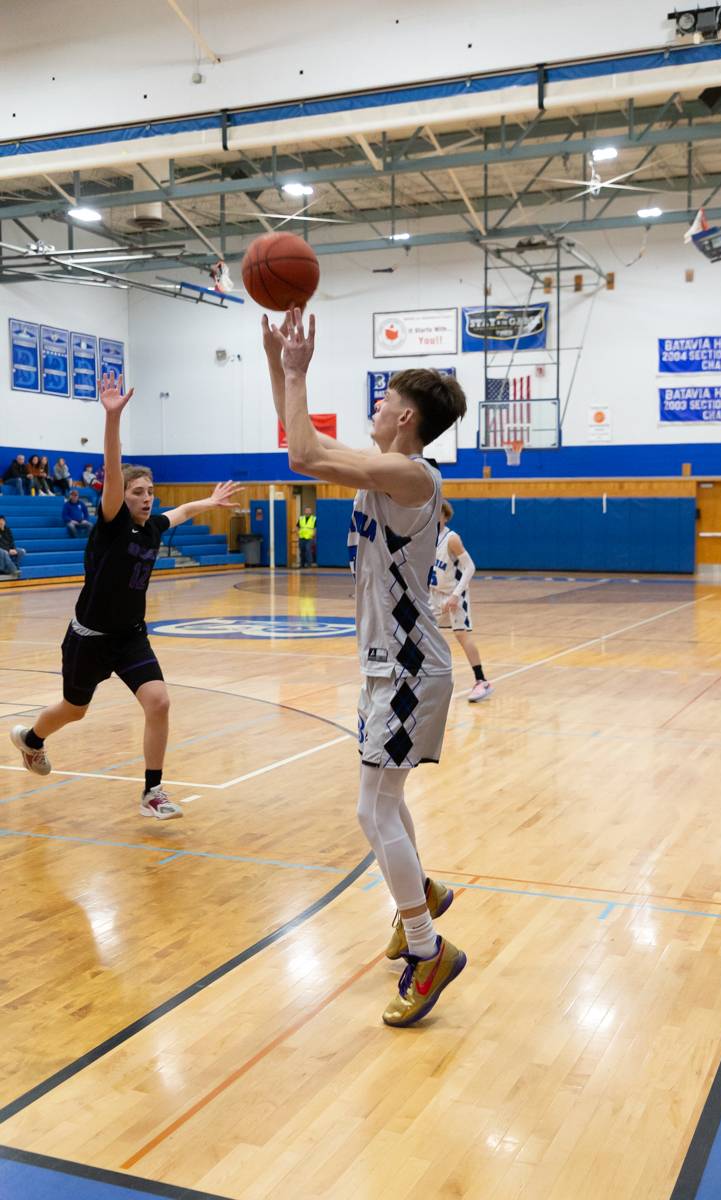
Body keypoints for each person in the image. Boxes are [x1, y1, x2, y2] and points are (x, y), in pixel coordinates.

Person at [263, 309, 467, 1028]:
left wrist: (294, 372)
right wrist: (276, 363)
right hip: (389, 667)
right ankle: (425, 892)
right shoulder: (387, 469)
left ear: (405, 417)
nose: (373, 408)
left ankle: (427, 946)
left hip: (410, 668)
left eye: (381, 401)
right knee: (388, 801)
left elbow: (303, 458)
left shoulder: (408, 475)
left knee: (370, 807)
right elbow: (308, 449)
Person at [10, 372, 241, 820]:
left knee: (159, 701)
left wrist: (210, 503)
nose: (147, 498)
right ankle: (32, 740)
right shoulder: (112, 522)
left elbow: (184, 510)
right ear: (122, 496)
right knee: (75, 710)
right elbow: (113, 470)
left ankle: (152, 791)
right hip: (89, 637)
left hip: (131, 636)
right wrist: (112, 419)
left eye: (151, 492)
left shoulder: (154, 526)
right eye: (139, 492)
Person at [430, 500, 492, 702]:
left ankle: (481, 680)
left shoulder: (451, 538)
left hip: (454, 593)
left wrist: (456, 594)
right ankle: (431, 678)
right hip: (434, 594)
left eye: (437, 513)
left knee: (461, 635)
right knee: (424, 632)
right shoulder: (424, 537)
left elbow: (470, 567)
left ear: (445, 516)